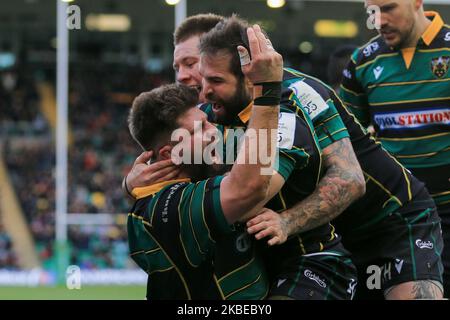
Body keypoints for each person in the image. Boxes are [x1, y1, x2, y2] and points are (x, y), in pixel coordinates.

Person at [127, 25, 282, 299]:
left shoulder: (189, 173)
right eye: (200, 131)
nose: (214, 132)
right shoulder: (170, 206)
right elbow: (248, 186)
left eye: (208, 121)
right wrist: (267, 90)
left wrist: (128, 184)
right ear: (168, 154)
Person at [339, 0, 450, 297]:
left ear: (417, 2)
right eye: (372, 12)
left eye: (388, 8)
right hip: (398, 217)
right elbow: (346, 143)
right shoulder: (361, 62)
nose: (379, 21)